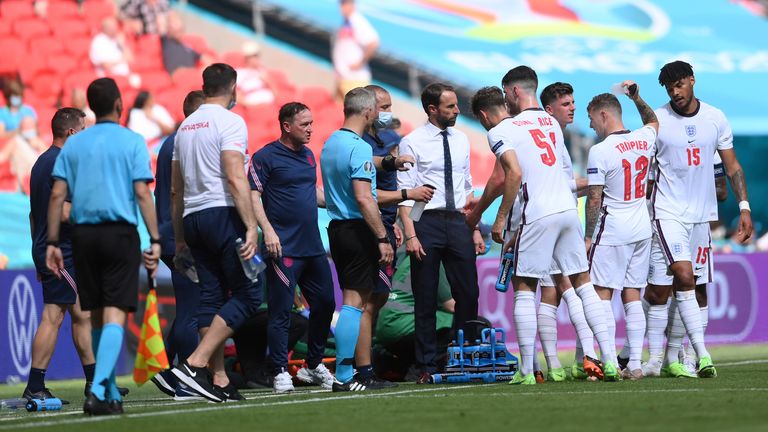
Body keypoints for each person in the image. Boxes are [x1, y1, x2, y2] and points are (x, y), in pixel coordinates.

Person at [484, 66, 617, 384]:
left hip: (538, 213)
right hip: (569, 211)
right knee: (583, 285)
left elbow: (513, 174)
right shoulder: (553, 125)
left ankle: (528, 371)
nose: (505, 100)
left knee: (525, 289)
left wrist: (502, 218)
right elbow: (560, 173)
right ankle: (609, 361)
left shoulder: (504, 129)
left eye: (506, 93)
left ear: (514, 91)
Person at [46, 78, 161, 415]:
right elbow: (142, 192)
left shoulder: (75, 145)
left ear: (92, 107)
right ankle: (97, 389)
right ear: (120, 104)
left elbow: (56, 194)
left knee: (95, 314)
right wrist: (155, 237)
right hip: (118, 233)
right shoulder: (132, 141)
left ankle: (111, 393)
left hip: (81, 236)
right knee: (114, 314)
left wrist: (53, 241)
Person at [642, 60, 753, 378]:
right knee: (677, 279)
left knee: (697, 287)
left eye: (679, 84)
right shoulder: (658, 120)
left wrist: (743, 206)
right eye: (668, 87)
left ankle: (682, 356)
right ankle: (682, 356)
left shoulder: (715, 118)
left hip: (701, 218)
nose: (674, 91)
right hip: (667, 213)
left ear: (692, 81)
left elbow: (732, 167)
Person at [170, 63, 261, 403]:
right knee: (250, 294)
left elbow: (176, 190)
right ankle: (194, 364)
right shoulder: (231, 121)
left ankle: (217, 379)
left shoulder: (185, 126)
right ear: (233, 87)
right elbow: (236, 175)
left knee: (210, 298)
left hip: (193, 217)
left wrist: (179, 237)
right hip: (223, 214)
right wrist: (251, 225)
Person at [397, 83, 484, 384]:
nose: (458, 110)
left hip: (458, 220)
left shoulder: (461, 139)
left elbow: (466, 184)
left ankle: (465, 356)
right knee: (425, 296)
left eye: (456, 105)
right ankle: (426, 365)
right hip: (426, 221)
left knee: (469, 292)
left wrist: (472, 228)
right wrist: (410, 234)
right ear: (432, 109)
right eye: (450, 106)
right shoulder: (412, 142)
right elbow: (406, 195)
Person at [248, 102, 336, 393]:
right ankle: (279, 371)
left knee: (325, 303)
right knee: (281, 311)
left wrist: (344, 204)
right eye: (304, 124)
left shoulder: (309, 156)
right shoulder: (265, 157)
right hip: (282, 248)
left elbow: (311, 191)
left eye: (311, 123)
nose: (311, 129)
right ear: (287, 126)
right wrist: (268, 231)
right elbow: (253, 196)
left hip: (312, 246)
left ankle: (312, 365)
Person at [357, 84, 433, 388]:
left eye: (390, 106)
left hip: (389, 227)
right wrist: (406, 217)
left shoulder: (391, 140)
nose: (388, 113)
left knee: (379, 297)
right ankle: (361, 369)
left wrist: (404, 223)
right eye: (383, 107)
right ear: (368, 108)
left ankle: (370, 363)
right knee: (365, 302)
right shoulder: (360, 144)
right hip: (368, 227)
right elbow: (371, 194)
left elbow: (409, 193)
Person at [320, 87, 394, 391]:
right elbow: (365, 199)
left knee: (354, 300)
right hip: (357, 228)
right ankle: (346, 374)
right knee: (355, 303)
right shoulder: (359, 146)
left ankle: (346, 373)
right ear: (367, 112)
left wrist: (388, 163)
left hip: (337, 228)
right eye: (377, 109)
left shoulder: (331, 143)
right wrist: (382, 237)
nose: (379, 114)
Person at [584, 86, 658, 380]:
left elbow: (594, 198)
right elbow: (654, 121)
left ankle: (609, 363)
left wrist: (589, 236)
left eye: (592, 119)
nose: (590, 125)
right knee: (632, 295)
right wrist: (637, 98)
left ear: (604, 115)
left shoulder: (600, 150)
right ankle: (636, 364)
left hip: (613, 228)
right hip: (642, 226)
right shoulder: (643, 138)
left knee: (601, 293)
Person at [24, 108, 94, 402]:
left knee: (82, 314)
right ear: (72, 133)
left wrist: (38, 247)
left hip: (51, 248)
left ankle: (95, 381)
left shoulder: (42, 162)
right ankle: (35, 385)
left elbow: (33, 215)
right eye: (85, 130)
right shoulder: (61, 163)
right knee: (53, 316)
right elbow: (65, 211)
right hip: (61, 252)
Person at [148, 90, 205, 400]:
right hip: (182, 236)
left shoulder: (171, 142)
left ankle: (168, 370)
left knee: (191, 306)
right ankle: (186, 378)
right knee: (191, 310)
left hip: (171, 234)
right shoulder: (185, 142)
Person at [332, 0, 379, 100]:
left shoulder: (357, 21)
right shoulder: (346, 22)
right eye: (341, 3)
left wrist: (360, 63)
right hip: (343, 77)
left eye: (345, 3)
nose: (342, 7)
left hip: (355, 79)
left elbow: (373, 42)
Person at [235, 41, 276, 107]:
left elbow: (276, 94)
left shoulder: (262, 71)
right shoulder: (239, 72)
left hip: (269, 103)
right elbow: (234, 94)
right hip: (253, 104)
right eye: (254, 56)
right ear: (247, 58)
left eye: (257, 56)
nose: (257, 59)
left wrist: (268, 81)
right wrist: (249, 105)